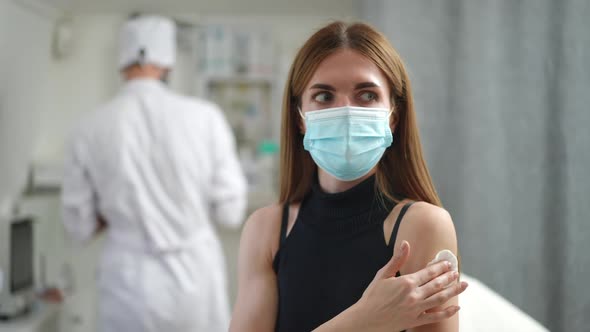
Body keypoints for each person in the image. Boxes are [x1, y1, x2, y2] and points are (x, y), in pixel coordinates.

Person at [230, 21, 468, 332]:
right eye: (324, 96)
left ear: (393, 118)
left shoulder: (422, 225)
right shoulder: (266, 230)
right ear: (300, 118)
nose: (345, 112)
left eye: (367, 96)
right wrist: (364, 320)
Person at [61, 15, 247, 332]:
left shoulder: (88, 127)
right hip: (194, 279)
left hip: (127, 281)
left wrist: (114, 214)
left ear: (122, 64)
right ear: (168, 64)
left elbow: (78, 225)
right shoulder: (205, 118)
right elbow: (231, 211)